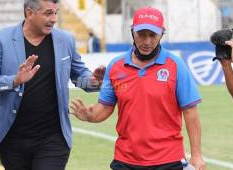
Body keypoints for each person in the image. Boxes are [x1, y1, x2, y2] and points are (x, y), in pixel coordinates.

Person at [70, 6, 206, 170]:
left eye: (152, 35)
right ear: (132, 32)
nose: (147, 41)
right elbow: (105, 108)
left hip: (168, 160)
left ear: (161, 34)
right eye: (141, 34)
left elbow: (190, 112)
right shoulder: (115, 66)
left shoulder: (176, 65)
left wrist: (197, 156)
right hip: (125, 159)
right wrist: (90, 116)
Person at [0, 0, 105, 169]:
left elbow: (79, 75)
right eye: (48, 13)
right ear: (29, 13)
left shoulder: (65, 40)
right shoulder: (0, 39)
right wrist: (15, 80)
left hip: (53, 138)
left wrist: (94, 82)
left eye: (55, 13)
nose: (53, 19)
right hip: (12, 138)